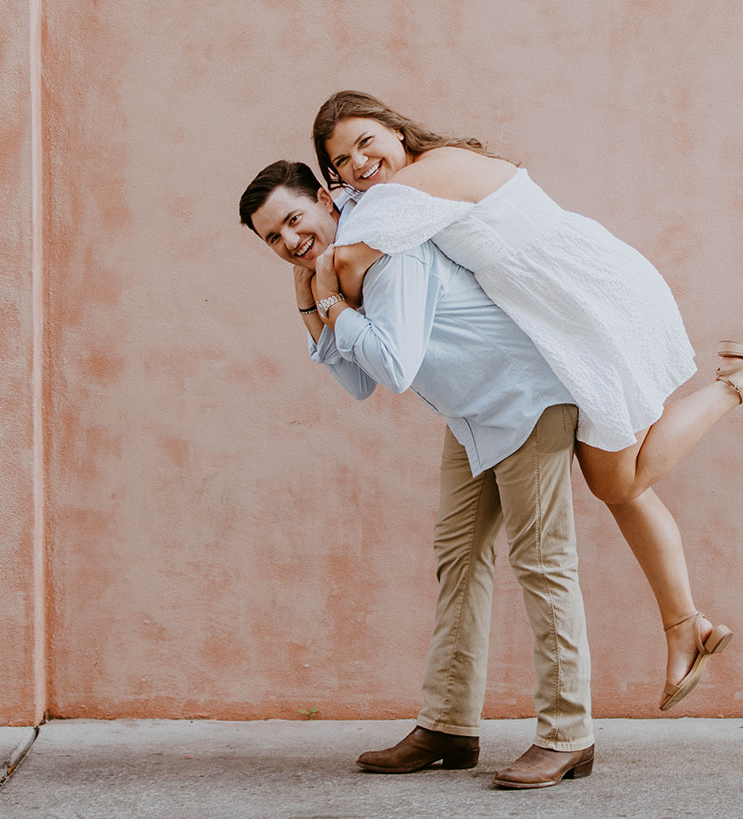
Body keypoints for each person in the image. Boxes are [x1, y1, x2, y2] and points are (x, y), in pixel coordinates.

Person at [312, 91, 743, 710]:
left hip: (588, 302)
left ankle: (738, 382)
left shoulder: (420, 178)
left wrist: (320, 276)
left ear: (393, 129)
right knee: (619, 481)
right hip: (559, 315)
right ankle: (688, 627)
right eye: (341, 161)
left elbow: (351, 264)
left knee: (617, 483)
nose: (358, 163)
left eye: (365, 142)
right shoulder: (409, 182)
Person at [240, 160, 595, 790]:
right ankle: (449, 726)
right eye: (273, 238)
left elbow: (395, 367)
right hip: (473, 414)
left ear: (326, 200)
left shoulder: (385, 249)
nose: (291, 241)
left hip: (525, 398)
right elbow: (355, 382)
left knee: (542, 564)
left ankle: (568, 736)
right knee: (458, 559)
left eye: (294, 219)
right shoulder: (334, 267)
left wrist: (325, 299)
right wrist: (309, 301)